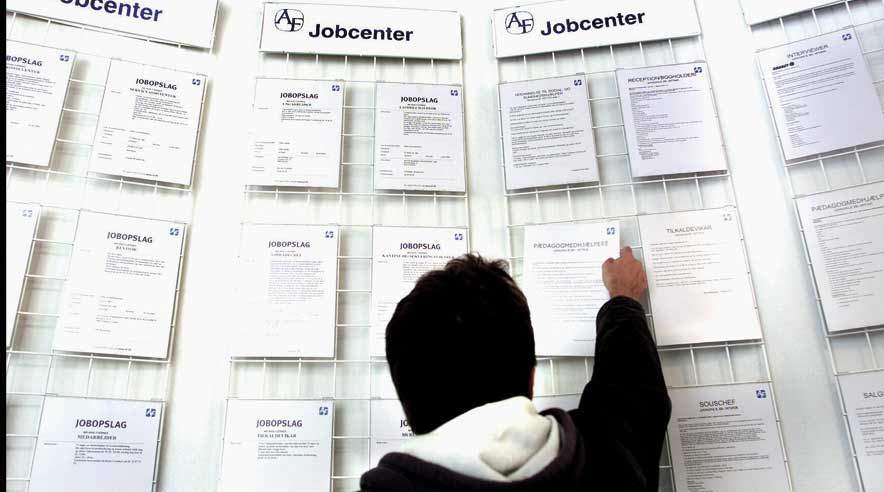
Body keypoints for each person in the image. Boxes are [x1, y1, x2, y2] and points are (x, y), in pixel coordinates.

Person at [359, 247, 671, 491]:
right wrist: (622, 297)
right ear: (532, 379)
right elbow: (632, 385)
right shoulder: (610, 459)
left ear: (407, 403)